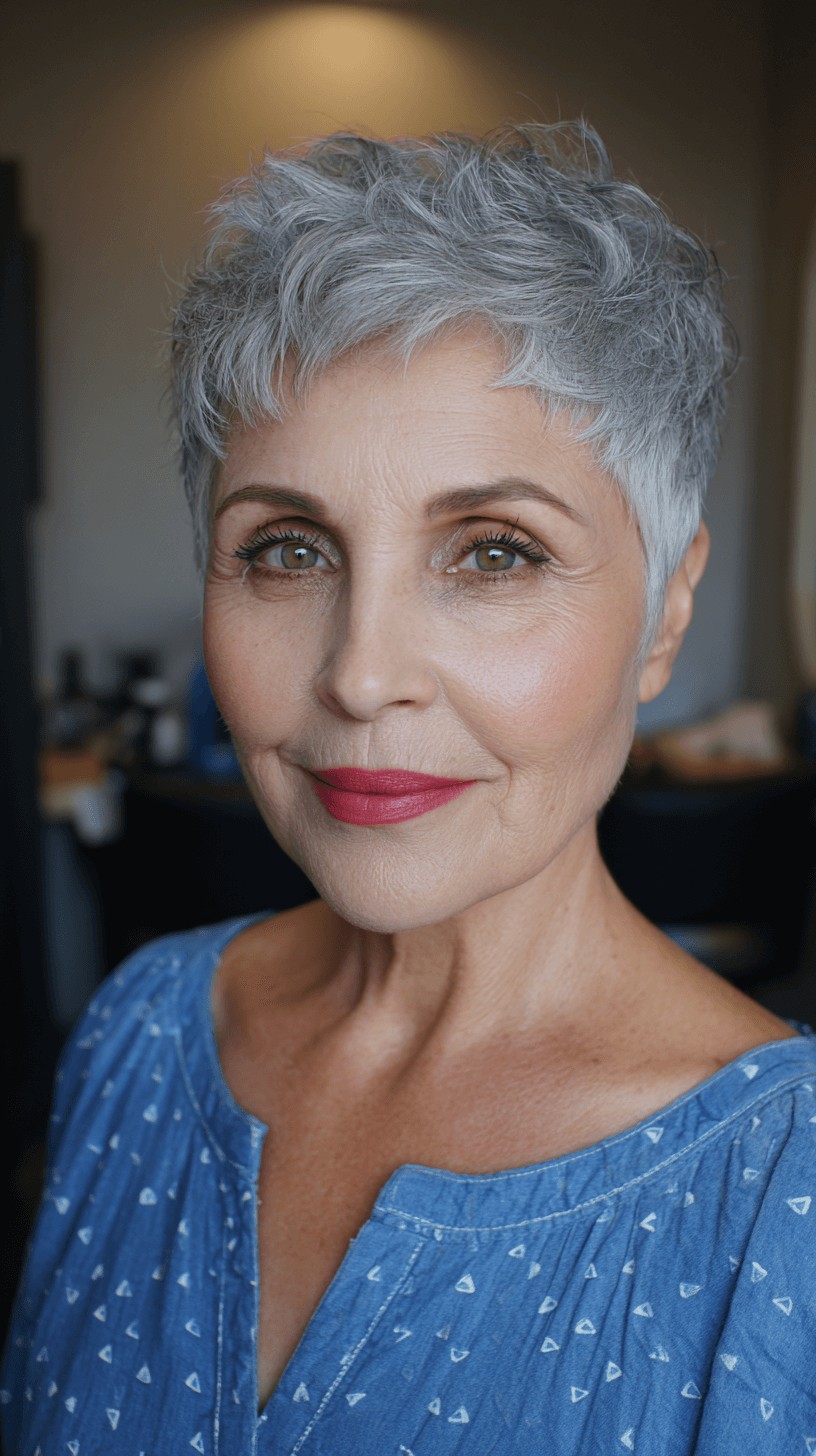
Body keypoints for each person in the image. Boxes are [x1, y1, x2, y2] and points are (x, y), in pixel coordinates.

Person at [3, 122, 815, 1455]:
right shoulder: (140, 1034)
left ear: (667, 611)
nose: (362, 675)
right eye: (285, 547)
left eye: (494, 551)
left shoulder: (789, 1202)